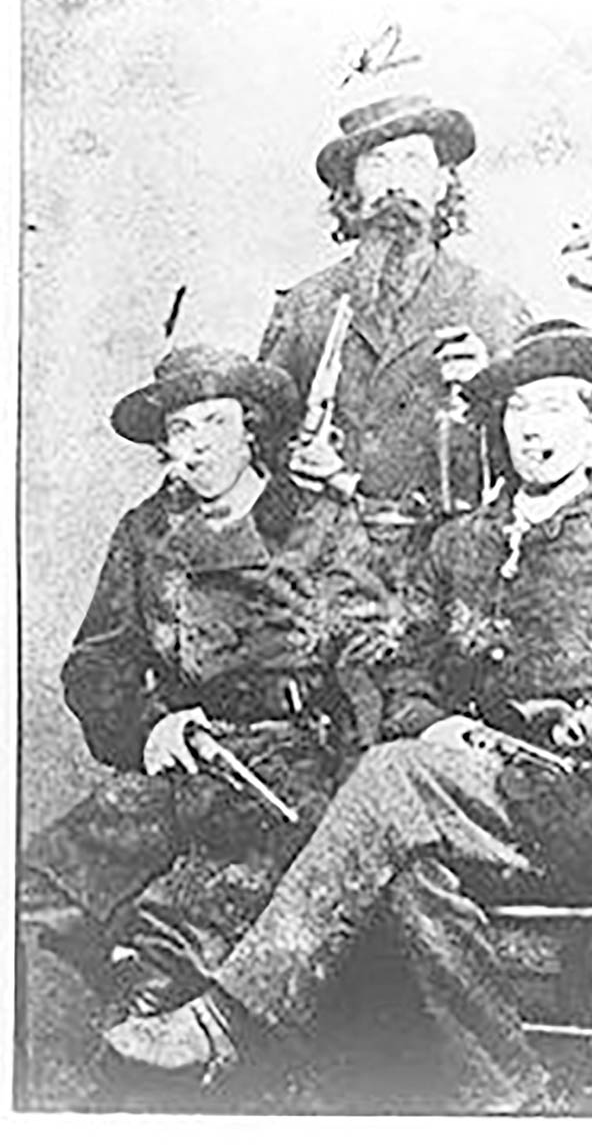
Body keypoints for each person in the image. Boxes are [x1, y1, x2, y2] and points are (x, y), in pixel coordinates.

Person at [104, 322, 592, 1111]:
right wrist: (430, 722)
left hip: (580, 809)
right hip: (459, 793)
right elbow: (400, 664)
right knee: (404, 868)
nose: (531, 429)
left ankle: (232, 1018)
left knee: (387, 775)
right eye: (515, 411)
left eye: (551, 409)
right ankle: (511, 1097)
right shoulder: (459, 547)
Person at [21, 343, 403, 1016]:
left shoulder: (319, 524)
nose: (193, 448)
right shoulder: (147, 530)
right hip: (182, 762)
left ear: (252, 426)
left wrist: (357, 782)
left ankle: (172, 1054)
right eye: (178, 430)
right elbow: (97, 661)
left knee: (173, 948)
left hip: (290, 775)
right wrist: (147, 729)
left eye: (212, 423)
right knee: (41, 894)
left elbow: (371, 660)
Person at [259, 92, 535, 577]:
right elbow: (260, 433)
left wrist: (488, 388)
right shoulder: (304, 307)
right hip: (326, 567)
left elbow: (537, 453)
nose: (396, 182)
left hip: (449, 570)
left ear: (443, 182)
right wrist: (297, 456)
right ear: (351, 188)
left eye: (413, 161)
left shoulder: (495, 307)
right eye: (378, 163)